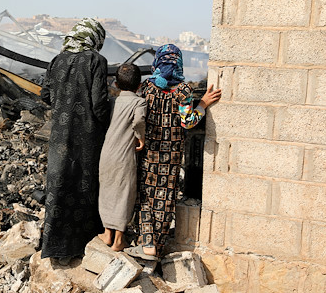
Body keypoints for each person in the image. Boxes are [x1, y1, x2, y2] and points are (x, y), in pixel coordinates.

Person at [127, 44, 221, 261]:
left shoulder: (147, 88)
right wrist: (204, 103)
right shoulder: (183, 91)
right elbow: (188, 122)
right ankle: (157, 248)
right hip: (171, 157)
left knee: (146, 196)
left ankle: (145, 241)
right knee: (165, 199)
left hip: (148, 153)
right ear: (178, 63)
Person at [40, 18, 110, 262]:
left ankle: (54, 245)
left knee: (59, 183)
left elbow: (45, 93)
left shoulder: (56, 60)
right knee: (84, 184)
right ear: (95, 38)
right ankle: (81, 243)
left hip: (59, 135)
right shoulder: (96, 61)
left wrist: (63, 107)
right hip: (87, 137)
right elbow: (99, 103)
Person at [97, 63, 147, 252]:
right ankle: (119, 239)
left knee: (107, 191)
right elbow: (139, 120)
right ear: (139, 86)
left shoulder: (112, 101)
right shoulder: (139, 102)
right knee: (124, 193)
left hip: (106, 153)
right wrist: (140, 137)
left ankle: (107, 233)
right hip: (124, 155)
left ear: (116, 84)